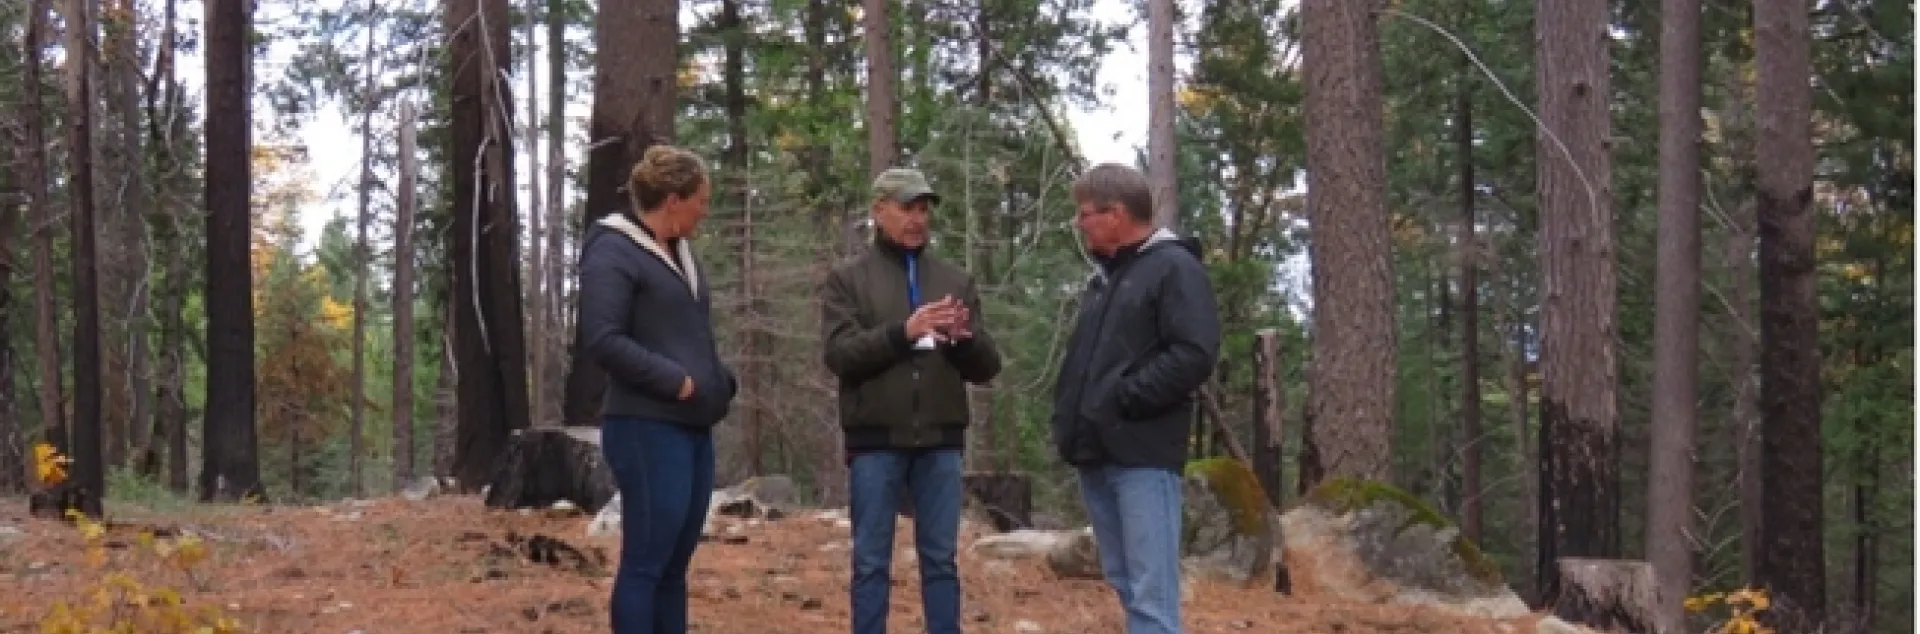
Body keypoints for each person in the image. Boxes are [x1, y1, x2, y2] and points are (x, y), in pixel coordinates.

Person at [820, 167, 1003, 634]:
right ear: (879, 211)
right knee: (871, 562)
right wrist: (904, 333)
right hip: (875, 441)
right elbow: (840, 355)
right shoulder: (848, 280)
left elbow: (986, 367)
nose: (917, 219)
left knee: (940, 561)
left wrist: (962, 340)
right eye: (907, 208)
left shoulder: (955, 279)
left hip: (941, 440)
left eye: (923, 210)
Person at [1050, 163, 1220, 634]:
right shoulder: (1106, 278)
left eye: (1085, 214)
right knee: (1124, 579)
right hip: (1096, 451)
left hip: (1143, 455)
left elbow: (1193, 353)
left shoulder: (1174, 268)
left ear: (1117, 214)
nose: (1080, 225)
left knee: (1152, 592)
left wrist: (1125, 398)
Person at [578, 144, 738, 634]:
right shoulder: (614, 249)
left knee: (674, 565)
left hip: (692, 426)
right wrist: (676, 380)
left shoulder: (681, 253)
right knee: (647, 562)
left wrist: (719, 379)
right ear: (673, 199)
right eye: (700, 200)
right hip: (646, 427)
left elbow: (688, 330)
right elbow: (602, 339)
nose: (705, 210)